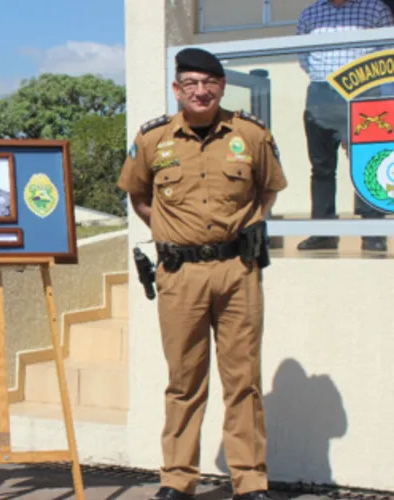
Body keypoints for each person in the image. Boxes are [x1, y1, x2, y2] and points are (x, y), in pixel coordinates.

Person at [118, 47, 288, 500]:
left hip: (238, 269)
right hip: (180, 274)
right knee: (184, 381)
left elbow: (268, 189)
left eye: (209, 82)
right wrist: (171, 230)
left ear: (222, 87)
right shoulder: (153, 138)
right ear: (177, 89)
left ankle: (249, 481)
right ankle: (177, 479)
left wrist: (248, 226)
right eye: (191, 83)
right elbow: (138, 196)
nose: (201, 91)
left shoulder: (250, 134)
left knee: (243, 380)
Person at [296, 0, 394, 251]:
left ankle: (373, 232)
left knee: (367, 164)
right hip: (321, 97)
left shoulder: (375, 9)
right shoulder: (310, 14)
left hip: (364, 96)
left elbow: (388, 52)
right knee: (321, 167)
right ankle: (323, 232)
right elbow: (304, 57)